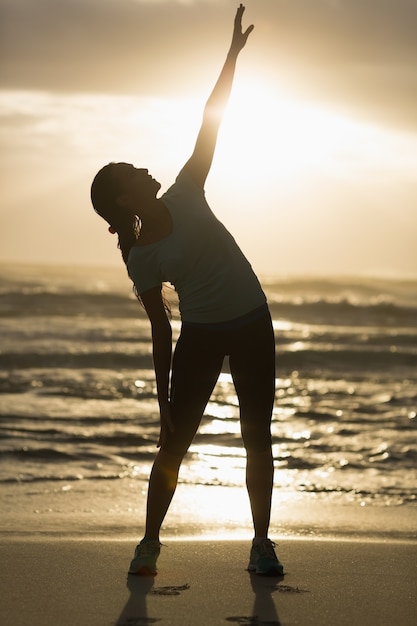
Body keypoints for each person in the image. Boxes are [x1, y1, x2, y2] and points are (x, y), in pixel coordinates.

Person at [91, 4, 283, 577]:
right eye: (133, 173)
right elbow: (160, 326)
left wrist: (231, 56)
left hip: (252, 321)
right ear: (125, 200)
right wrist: (162, 400)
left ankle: (261, 543)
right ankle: (149, 542)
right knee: (173, 444)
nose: (146, 170)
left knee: (257, 438)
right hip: (201, 335)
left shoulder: (186, 188)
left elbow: (211, 119)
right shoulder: (142, 256)